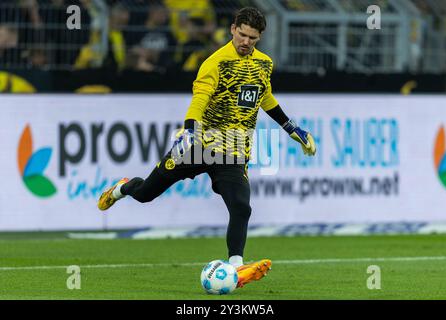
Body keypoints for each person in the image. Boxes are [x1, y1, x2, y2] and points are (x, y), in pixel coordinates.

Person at [97, 7, 316, 288]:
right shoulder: (215, 62)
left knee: (241, 206)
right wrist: (190, 132)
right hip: (199, 145)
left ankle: (236, 268)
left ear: (259, 37)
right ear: (232, 29)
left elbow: (265, 97)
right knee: (145, 194)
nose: (246, 42)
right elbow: (199, 99)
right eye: (242, 35)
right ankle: (122, 188)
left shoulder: (264, 64)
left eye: (253, 37)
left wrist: (292, 128)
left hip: (234, 149)